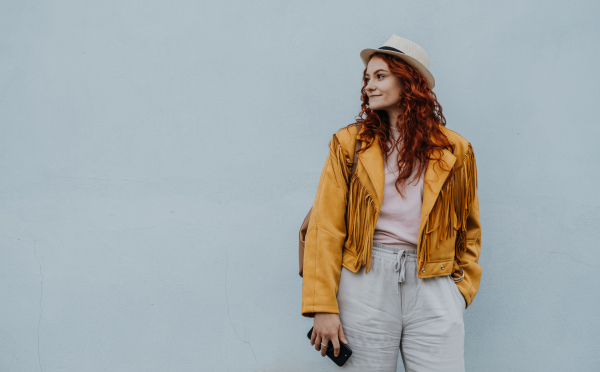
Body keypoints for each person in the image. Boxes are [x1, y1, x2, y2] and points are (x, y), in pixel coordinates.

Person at [301, 34, 482, 371]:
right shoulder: (349, 144)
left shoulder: (456, 149)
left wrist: (459, 292)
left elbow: (469, 230)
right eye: (367, 78)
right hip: (364, 280)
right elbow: (325, 227)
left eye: (380, 76)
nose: (369, 85)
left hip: (434, 281)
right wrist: (323, 306)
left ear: (409, 81)